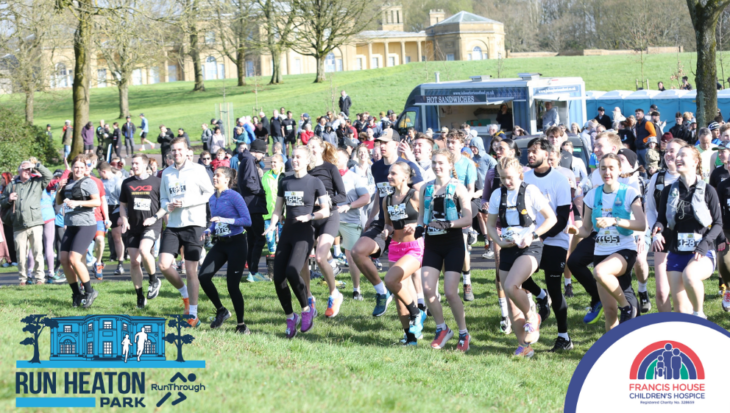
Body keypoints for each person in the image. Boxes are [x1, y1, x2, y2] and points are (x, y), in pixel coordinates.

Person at [487, 156, 557, 357]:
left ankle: (532, 314)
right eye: (502, 178)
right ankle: (524, 345)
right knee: (510, 298)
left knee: (510, 285)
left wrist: (533, 235)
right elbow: (491, 225)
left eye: (509, 177)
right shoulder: (496, 195)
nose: (506, 182)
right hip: (508, 248)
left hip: (531, 247)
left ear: (519, 173)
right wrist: (499, 242)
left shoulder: (531, 191)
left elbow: (551, 218)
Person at [351, 129, 424, 317]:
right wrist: (371, 216)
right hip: (385, 223)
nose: (381, 146)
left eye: (385, 142)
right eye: (379, 142)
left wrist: (419, 223)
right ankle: (381, 292)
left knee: (406, 280)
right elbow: (379, 192)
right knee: (357, 251)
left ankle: (418, 310)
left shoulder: (407, 167)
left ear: (396, 144)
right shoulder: (375, 167)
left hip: (408, 228)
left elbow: (422, 195)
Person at [568, 153, 645, 330]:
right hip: (601, 252)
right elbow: (587, 229)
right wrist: (576, 231)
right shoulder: (592, 195)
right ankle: (612, 349)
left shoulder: (629, 193)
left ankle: (627, 307)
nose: (607, 172)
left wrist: (614, 221)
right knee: (610, 311)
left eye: (611, 168)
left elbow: (641, 224)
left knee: (600, 272)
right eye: (603, 168)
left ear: (619, 170)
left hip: (624, 250)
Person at [263, 146, 330, 338]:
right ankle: (291, 317)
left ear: (307, 160)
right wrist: (272, 225)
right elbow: (278, 210)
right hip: (287, 232)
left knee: (293, 270)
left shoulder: (315, 182)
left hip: (304, 232)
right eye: (293, 157)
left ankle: (306, 309)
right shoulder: (285, 181)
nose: (295, 160)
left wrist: (310, 216)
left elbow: (325, 211)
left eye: (299, 157)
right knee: (278, 278)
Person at [652, 146, 723, 319]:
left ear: (695, 161)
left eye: (683, 155)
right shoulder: (669, 191)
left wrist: (704, 246)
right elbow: (661, 219)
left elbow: (718, 223)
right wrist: (657, 231)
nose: (678, 158)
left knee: (690, 275)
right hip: (676, 253)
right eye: (678, 155)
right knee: (681, 311)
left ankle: (700, 315)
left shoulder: (708, 190)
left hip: (702, 253)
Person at [520, 138, 574, 352]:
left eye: (534, 151)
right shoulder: (524, 178)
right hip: (529, 238)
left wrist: (541, 236)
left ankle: (564, 337)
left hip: (554, 240)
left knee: (555, 287)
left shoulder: (559, 180)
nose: (530, 155)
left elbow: (561, 218)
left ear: (547, 152)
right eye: (528, 152)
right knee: (517, 276)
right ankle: (541, 297)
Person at [419, 149, 473, 351]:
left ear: (450, 165)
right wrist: (418, 227)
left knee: (450, 292)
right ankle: (442, 329)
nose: (436, 166)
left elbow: (468, 219)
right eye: (434, 162)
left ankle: (463, 333)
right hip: (432, 244)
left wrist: (448, 225)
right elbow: (422, 214)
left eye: (441, 163)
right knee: (427, 289)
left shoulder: (458, 188)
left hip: (453, 244)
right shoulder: (426, 188)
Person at [158, 138, 215, 326]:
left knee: (191, 270)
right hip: (173, 225)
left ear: (186, 150)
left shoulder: (198, 170)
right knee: (164, 265)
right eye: (173, 151)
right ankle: (185, 295)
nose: (176, 153)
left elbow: (210, 193)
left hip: (194, 224)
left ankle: (193, 314)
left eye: (180, 150)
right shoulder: (166, 173)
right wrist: (168, 205)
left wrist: (187, 202)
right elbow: (163, 198)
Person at [198, 166, 252, 334]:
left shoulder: (234, 196)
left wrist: (224, 219)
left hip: (237, 242)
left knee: (232, 286)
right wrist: (209, 230)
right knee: (204, 276)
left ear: (227, 180)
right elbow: (215, 223)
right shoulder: (212, 198)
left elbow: (247, 220)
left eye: (218, 175)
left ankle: (241, 325)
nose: (215, 178)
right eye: (214, 175)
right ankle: (221, 310)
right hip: (221, 243)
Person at [382, 161, 426, 346]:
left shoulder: (415, 196)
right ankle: (410, 337)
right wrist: (386, 230)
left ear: (405, 177)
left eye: (393, 173)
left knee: (390, 280)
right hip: (395, 248)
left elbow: (427, 218)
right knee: (400, 297)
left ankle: (417, 313)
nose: (389, 176)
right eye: (389, 173)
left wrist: (416, 225)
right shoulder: (386, 199)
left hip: (414, 247)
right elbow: (388, 223)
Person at [303, 137, 347, 317]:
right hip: (308, 217)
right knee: (301, 258)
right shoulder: (303, 170)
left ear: (321, 148)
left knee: (321, 258)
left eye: (314, 147)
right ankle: (308, 297)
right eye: (308, 147)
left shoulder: (330, 168)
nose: (311, 150)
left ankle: (334, 293)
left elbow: (342, 195)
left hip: (329, 216)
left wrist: (327, 200)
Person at [645, 139, 686, 312]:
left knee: (682, 291)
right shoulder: (657, 177)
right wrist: (655, 231)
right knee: (662, 292)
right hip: (661, 235)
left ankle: (685, 326)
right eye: (667, 150)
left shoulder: (692, 179)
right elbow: (649, 208)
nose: (669, 154)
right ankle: (666, 328)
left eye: (674, 151)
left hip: (685, 238)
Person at [56, 155, 102, 307]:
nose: (79, 170)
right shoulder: (68, 182)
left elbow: (97, 201)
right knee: (64, 259)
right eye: (76, 167)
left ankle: (90, 291)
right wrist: (59, 188)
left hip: (86, 225)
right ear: (72, 167)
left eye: (82, 167)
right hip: (71, 225)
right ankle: (77, 294)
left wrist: (78, 202)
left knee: (74, 259)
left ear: (86, 168)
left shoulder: (88, 182)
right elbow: (58, 201)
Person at [119, 154, 164, 308]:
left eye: (137, 163)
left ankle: (153, 280)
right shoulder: (127, 183)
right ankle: (139, 295)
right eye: (133, 163)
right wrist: (124, 219)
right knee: (133, 261)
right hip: (133, 226)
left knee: (145, 251)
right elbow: (122, 205)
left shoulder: (157, 182)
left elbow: (165, 205)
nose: (134, 166)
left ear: (146, 165)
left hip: (151, 223)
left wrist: (157, 218)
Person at [0, 160, 53, 285]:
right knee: (20, 254)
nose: (27, 171)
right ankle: (22, 279)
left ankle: (40, 278)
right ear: (19, 171)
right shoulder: (12, 185)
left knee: (37, 252)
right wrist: (8, 199)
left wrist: (36, 165)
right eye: (24, 169)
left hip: (35, 223)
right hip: (18, 224)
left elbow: (49, 176)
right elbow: (1, 202)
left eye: (29, 169)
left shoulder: (37, 182)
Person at [336, 149, 370, 300]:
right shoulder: (329, 176)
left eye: (338, 157)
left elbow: (366, 198)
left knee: (351, 258)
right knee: (320, 251)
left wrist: (349, 206)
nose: (334, 159)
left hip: (350, 222)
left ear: (346, 158)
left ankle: (356, 289)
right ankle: (332, 282)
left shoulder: (354, 177)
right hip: (331, 219)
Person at [237, 139, 268, 281]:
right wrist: (261, 192)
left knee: (252, 239)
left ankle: (252, 272)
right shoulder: (249, 160)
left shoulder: (246, 159)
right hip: (253, 205)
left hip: (248, 205)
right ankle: (254, 272)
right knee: (259, 239)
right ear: (259, 152)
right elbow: (250, 183)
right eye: (263, 153)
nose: (263, 157)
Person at [98, 162, 125, 276]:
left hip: (115, 209)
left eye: (99, 172)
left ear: (104, 171)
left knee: (116, 237)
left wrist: (121, 216)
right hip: (102, 209)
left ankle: (120, 263)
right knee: (99, 237)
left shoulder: (117, 181)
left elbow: (123, 200)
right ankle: (99, 261)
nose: (99, 175)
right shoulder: (100, 181)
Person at [263, 155, 284, 256]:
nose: (272, 164)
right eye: (271, 162)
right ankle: (273, 257)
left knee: (282, 236)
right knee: (269, 237)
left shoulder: (285, 175)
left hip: (282, 213)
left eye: (275, 162)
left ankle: (281, 256)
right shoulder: (266, 175)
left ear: (281, 163)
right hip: (268, 212)